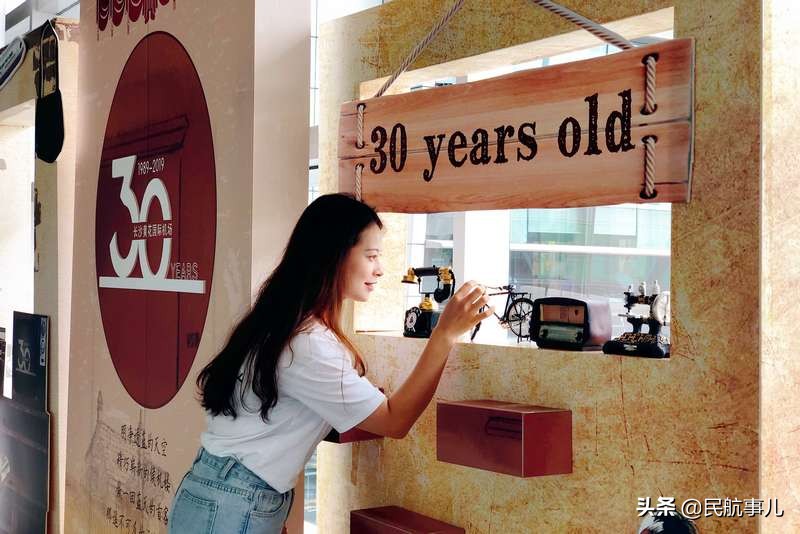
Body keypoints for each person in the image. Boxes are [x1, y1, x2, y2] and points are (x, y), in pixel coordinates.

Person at [167, 193, 493, 533]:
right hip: (235, 502)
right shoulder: (308, 343)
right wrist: (444, 335)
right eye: (371, 256)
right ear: (334, 256)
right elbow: (394, 421)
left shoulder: (282, 323)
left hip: (217, 491)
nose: (380, 269)